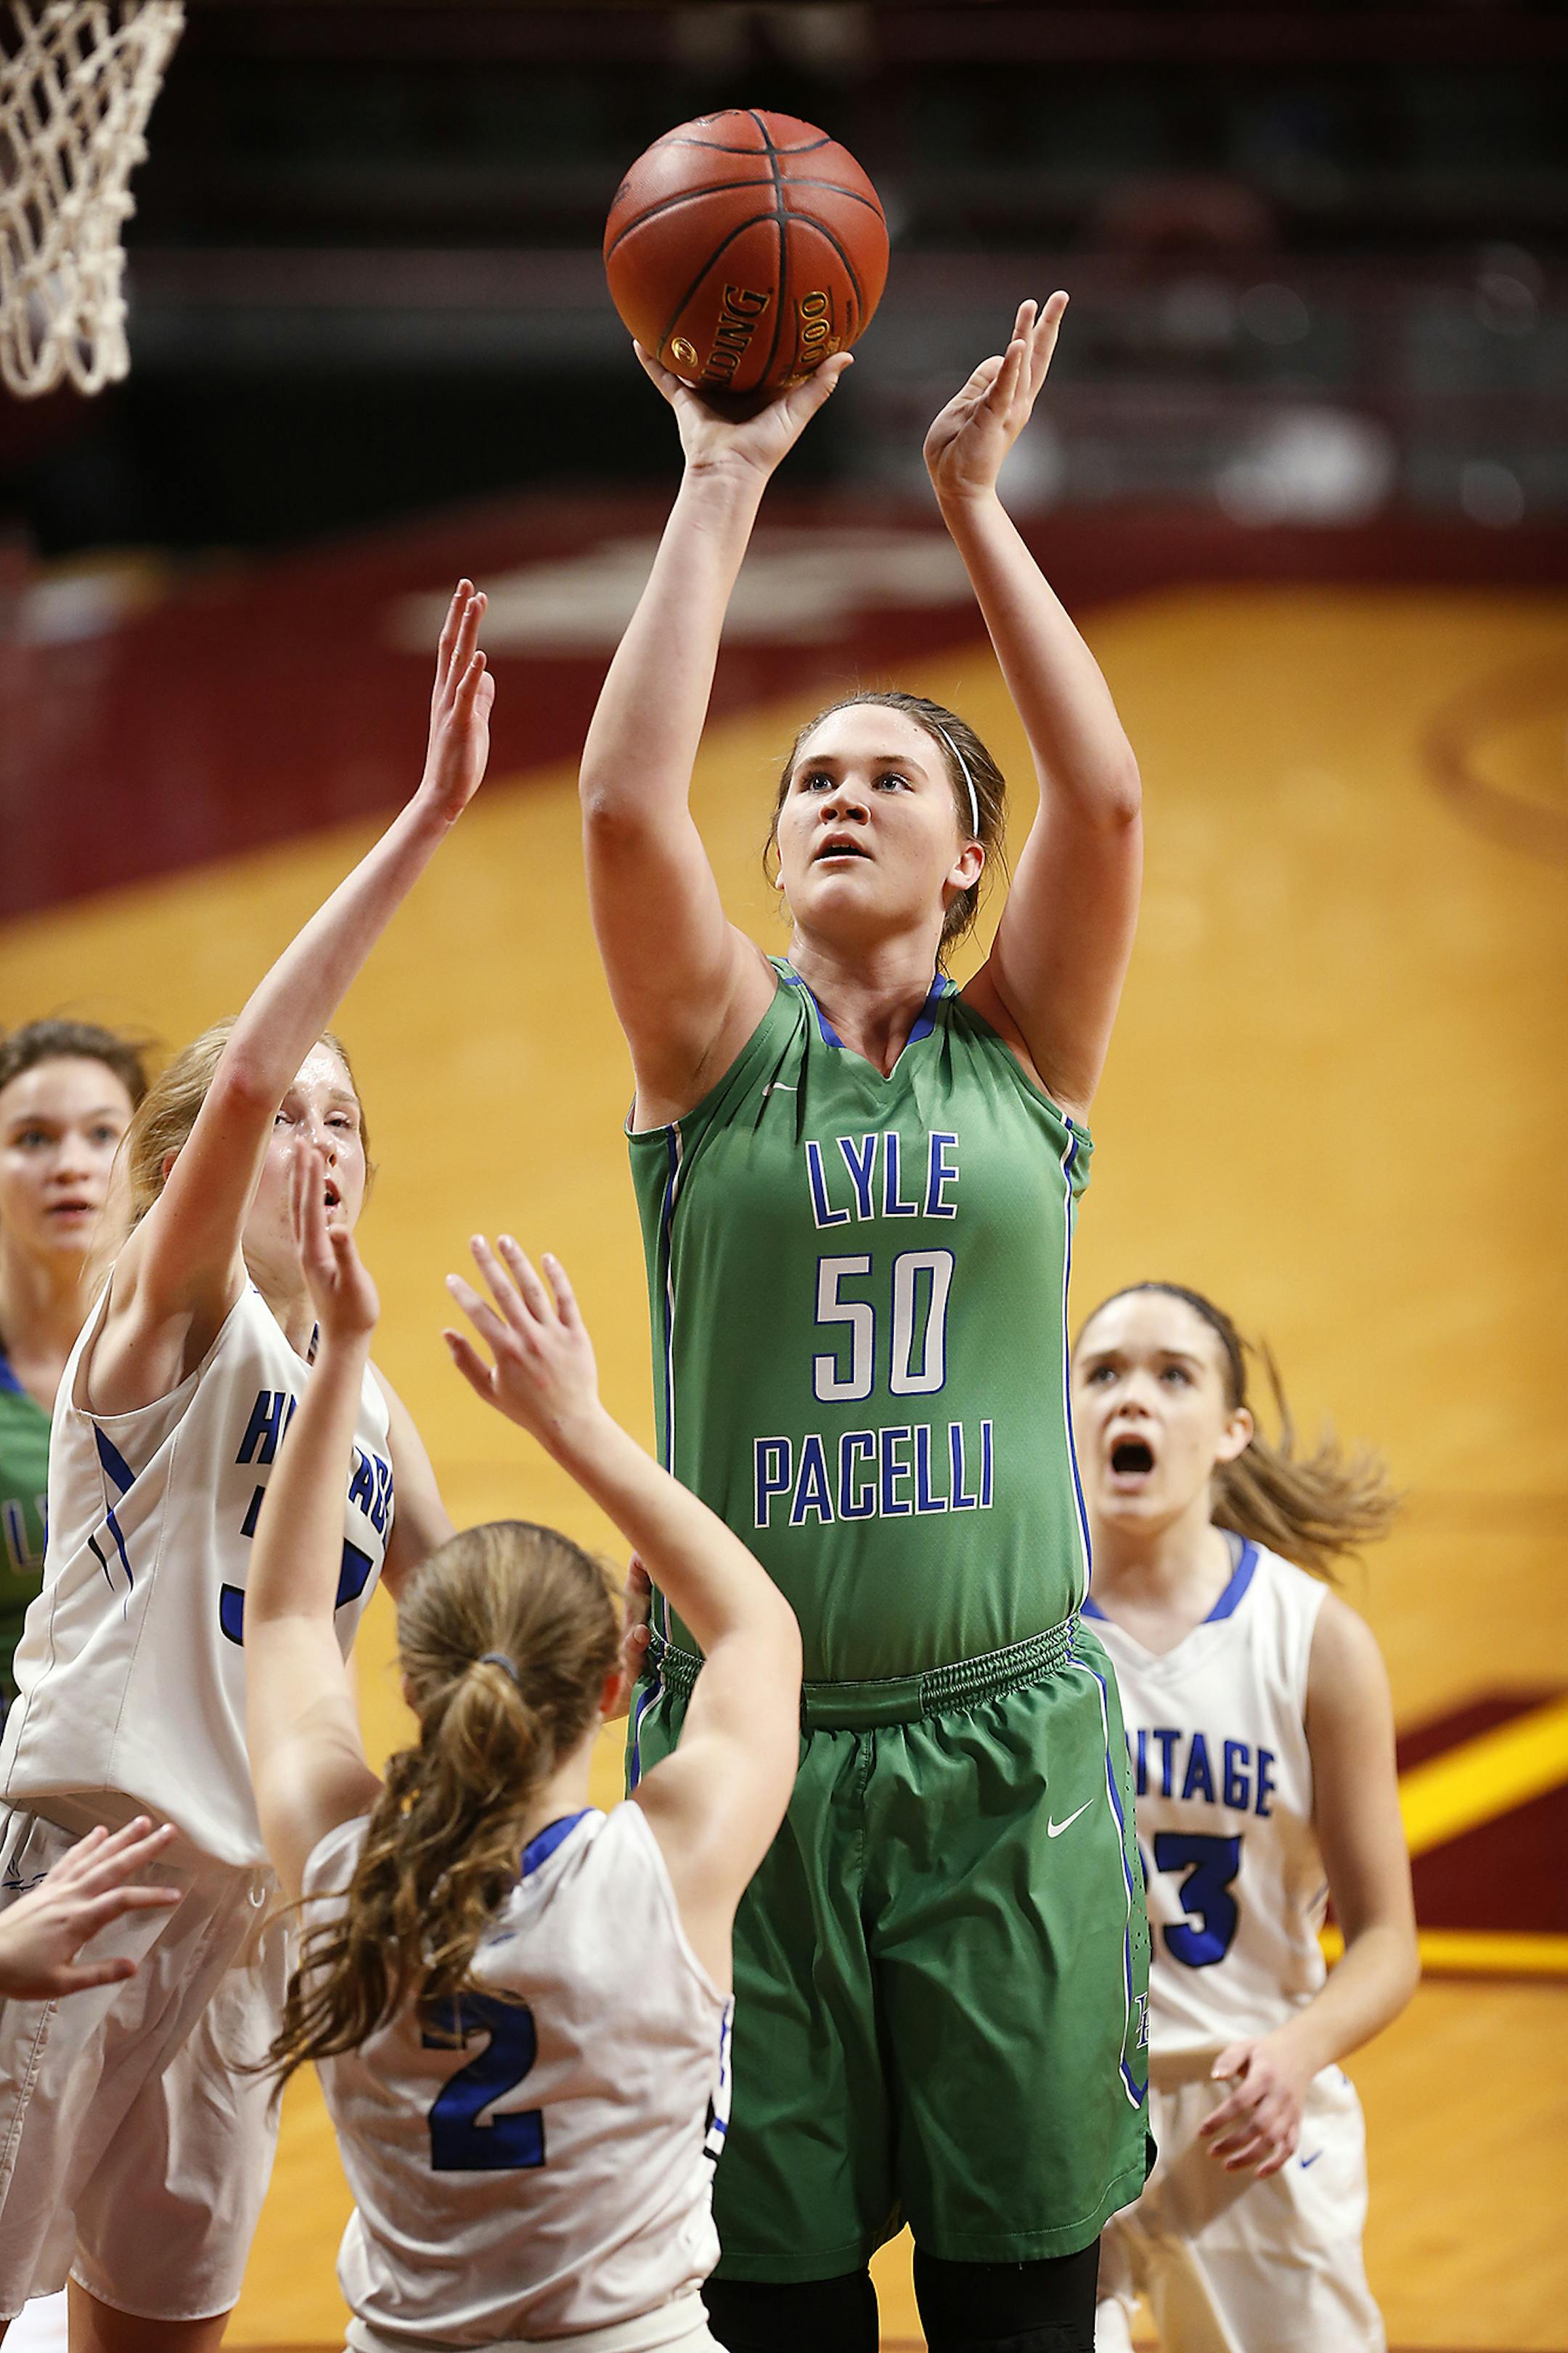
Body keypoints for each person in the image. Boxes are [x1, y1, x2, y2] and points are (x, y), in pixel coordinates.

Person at [579, 298, 1150, 2353]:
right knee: (778, 2314)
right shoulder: (714, 1058)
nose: (837, 792)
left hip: (1005, 1756)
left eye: (889, 777)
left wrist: (973, 509)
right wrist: (720, 473)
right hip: (747, 1780)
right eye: (809, 775)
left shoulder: (1027, 1050)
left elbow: (1108, 804)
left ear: (963, 858)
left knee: (1021, 2313)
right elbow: (631, 816)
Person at [0, 584, 494, 2353]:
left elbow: (473, 1626)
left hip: (246, 1924)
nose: (311, 1138)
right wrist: (426, 818)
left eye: (341, 1118)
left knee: (161, 2331)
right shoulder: (166, 1327)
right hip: (78, 1873)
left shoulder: (374, 1403)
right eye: (282, 1116)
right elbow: (241, 1078)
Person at [241, 1146, 801, 2353]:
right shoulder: (666, 1872)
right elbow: (760, 1628)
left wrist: (341, 1354)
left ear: (406, 1686)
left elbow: (282, 1615)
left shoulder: (344, 1873)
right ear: (615, 1683)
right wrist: (576, 1423)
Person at [1069, 1281, 1418, 2353]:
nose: (1136, 1399)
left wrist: (1297, 2051)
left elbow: (1388, 1942)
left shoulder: (1314, 1642)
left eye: (1174, 1376)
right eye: (1105, 1373)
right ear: (1066, 1414)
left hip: (1253, 2116)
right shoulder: (1016, 1628)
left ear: (1230, 1431)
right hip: (1066, 2119)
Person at [0, 1020, 150, 1719]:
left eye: (101, 1134)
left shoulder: (208, 1354)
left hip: (182, 1783)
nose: (70, 1164)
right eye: (32, 1137)